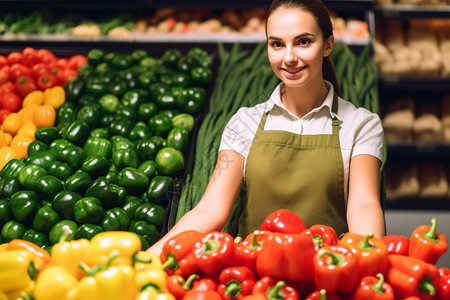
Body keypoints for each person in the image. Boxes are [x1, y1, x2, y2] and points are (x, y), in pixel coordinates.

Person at [148, 0, 385, 254]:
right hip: (253, 277)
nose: (289, 58)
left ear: (327, 45)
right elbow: (210, 209)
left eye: (303, 42)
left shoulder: (361, 124)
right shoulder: (244, 122)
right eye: (277, 44)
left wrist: (366, 261)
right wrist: (152, 256)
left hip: (326, 275)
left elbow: (363, 205)